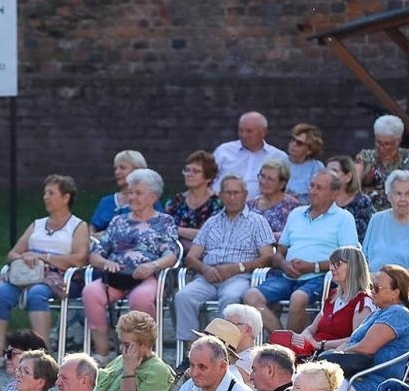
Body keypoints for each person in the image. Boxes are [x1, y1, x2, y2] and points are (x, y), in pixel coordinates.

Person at [243, 169, 360, 333]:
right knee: (251, 296)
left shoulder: (344, 218)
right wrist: (284, 265)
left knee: (298, 298)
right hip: (287, 275)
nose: (313, 191)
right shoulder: (296, 214)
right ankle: (282, 339)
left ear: (334, 194)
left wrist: (313, 267)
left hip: (320, 277)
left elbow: (349, 257)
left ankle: (291, 350)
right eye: (312, 186)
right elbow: (279, 252)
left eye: (319, 188)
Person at [0, 175, 89, 361]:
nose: (45, 197)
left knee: (37, 293)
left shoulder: (78, 226)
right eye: (45, 193)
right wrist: (25, 256)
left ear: (66, 197)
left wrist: (44, 257)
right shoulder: (37, 224)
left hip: (59, 278)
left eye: (51, 193)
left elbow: (79, 259)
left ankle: (42, 354)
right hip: (27, 274)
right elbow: (12, 254)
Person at [83, 168, 181, 359]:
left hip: (147, 276)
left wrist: (152, 266)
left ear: (153, 197)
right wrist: (105, 264)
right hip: (117, 275)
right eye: (130, 192)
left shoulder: (164, 221)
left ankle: (142, 353)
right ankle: (103, 352)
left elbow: (172, 254)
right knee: (90, 292)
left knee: (140, 299)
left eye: (138, 193)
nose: (132, 197)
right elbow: (95, 254)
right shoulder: (118, 221)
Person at [173, 174, 276, 344]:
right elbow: (191, 257)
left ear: (245, 194)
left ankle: (222, 349)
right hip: (208, 276)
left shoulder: (258, 221)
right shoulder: (211, 222)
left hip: (239, 276)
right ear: (220, 196)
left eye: (236, 193)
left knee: (231, 297)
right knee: (183, 296)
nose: (232, 197)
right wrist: (205, 269)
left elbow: (268, 257)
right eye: (227, 193)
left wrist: (237, 268)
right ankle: (190, 351)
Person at [326, 265, 409, 391]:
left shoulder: (398, 313)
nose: (372, 291)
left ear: (395, 292)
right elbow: (355, 342)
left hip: (370, 385)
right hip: (355, 377)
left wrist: (338, 354)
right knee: (302, 382)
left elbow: (367, 348)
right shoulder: (381, 312)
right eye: (371, 286)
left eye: (377, 288)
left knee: (306, 387)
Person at [90, 312, 175, 391]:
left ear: (144, 345)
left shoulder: (158, 371)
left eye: (127, 345)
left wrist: (129, 371)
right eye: (121, 343)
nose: (121, 349)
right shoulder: (120, 359)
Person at [289, 245, 375, 356]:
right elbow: (311, 329)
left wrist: (321, 344)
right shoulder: (333, 296)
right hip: (314, 351)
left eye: (337, 264)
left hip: (331, 357)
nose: (332, 268)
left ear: (353, 267)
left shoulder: (363, 301)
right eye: (331, 264)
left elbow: (356, 340)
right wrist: (304, 337)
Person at [355, 115, 409, 212]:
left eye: (387, 144)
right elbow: (354, 183)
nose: (381, 147)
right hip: (372, 207)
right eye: (378, 142)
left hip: (402, 204)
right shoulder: (365, 156)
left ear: (398, 141)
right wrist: (365, 178)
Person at [213, 112, 286, 200]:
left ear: (264, 132)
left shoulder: (278, 157)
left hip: (260, 208)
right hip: (220, 204)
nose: (244, 135)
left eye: (249, 131)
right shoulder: (223, 151)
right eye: (241, 130)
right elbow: (207, 178)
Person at [90, 150, 147, 233]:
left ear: (137, 171)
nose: (117, 172)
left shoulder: (149, 200)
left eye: (122, 168)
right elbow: (91, 229)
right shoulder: (106, 201)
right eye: (115, 169)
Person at [250, 157, 299, 237]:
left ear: (282, 184)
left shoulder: (291, 206)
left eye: (270, 179)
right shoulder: (251, 204)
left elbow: (291, 234)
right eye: (262, 176)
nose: (264, 182)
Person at [283, 123, 325, 199]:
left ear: (309, 150)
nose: (293, 144)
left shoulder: (317, 167)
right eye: (293, 139)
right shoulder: (280, 163)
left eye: (299, 143)